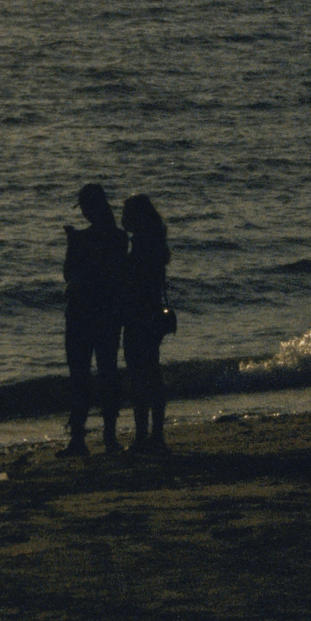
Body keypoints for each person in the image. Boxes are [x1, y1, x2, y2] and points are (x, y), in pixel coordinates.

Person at [61, 184, 128, 456]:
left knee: (80, 376)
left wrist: (74, 242)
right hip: (109, 314)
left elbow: (69, 274)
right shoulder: (119, 238)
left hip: (81, 314)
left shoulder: (81, 239)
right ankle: (109, 436)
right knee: (107, 373)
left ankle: (78, 438)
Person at [119, 193, 172, 453]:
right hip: (151, 315)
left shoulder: (142, 246)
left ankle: (145, 436)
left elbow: (136, 281)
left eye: (126, 213)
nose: (122, 218)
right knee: (150, 373)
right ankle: (155, 434)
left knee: (140, 376)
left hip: (140, 316)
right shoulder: (154, 243)